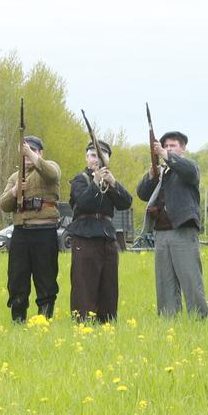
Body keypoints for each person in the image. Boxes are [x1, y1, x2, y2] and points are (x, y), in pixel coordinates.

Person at [0, 135, 63, 322]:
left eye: (32, 151)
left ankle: (44, 319)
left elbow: (52, 175)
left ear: (40, 152)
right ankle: (18, 319)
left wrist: (29, 152)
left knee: (46, 278)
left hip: (45, 231)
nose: (28, 156)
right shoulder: (15, 177)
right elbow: (4, 205)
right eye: (24, 152)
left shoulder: (50, 167)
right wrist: (14, 192)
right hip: (21, 232)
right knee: (17, 279)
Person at [137, 129, 208, 318]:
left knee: (191, 279)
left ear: (182, 149)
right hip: (161, 233)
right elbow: (142, 194)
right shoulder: (162, 174)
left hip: (182, 230)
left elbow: (189, 172)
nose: (168, 148)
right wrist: (151, 174)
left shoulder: (188, 167)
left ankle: (199, 319)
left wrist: (164, 155)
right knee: (164, 282)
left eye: (172, 146)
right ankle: (169, 321)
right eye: (166, 145)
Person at [65, 136, 130, 323]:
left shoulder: (109, 181)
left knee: (109, 283)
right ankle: (82, 321)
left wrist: (113, 184)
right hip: (85, 234)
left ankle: (107, 321)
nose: (94, 159)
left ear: (107, 159)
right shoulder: (80, 180)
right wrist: (95, 182)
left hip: (107, 236)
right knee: (83, 282)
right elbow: (83, 203)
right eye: (90, 155)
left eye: (98, 155)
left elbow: (126, 202)